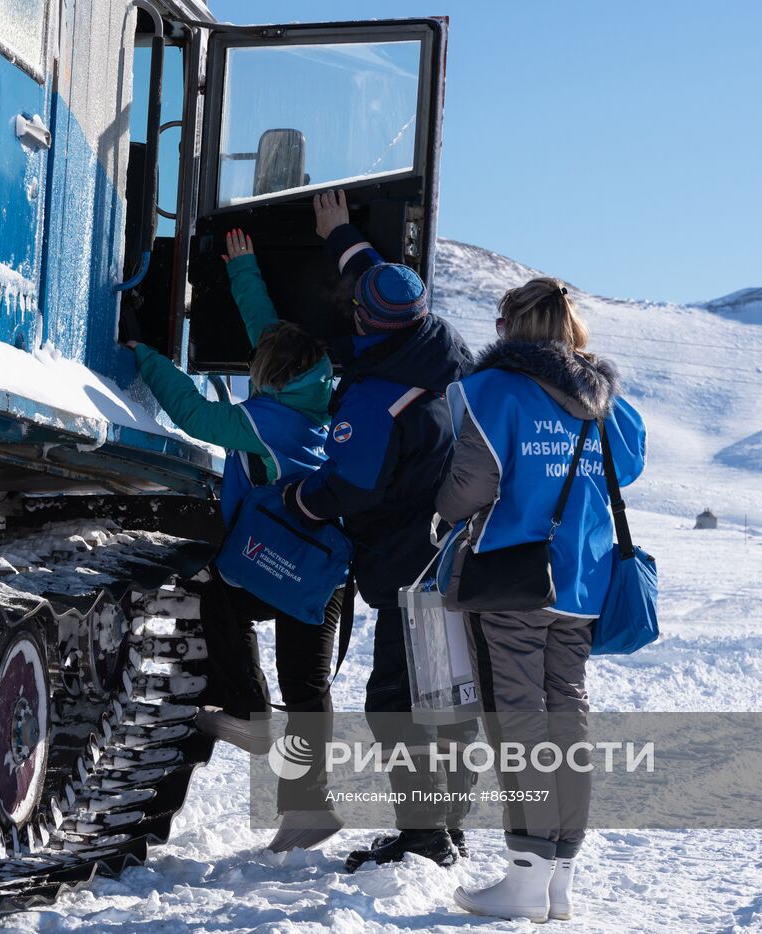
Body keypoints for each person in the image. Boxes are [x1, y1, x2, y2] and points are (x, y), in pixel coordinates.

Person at [123, 229, 347, 853]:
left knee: (219, 591)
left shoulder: (264, 421)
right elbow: (269, 332)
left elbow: (194, 414)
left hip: (275, 564)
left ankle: (249, 712)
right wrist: (243, 266)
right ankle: (310, 806)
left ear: (268, 376)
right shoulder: (317, 395)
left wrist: (144, 355)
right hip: (324, 571)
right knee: (307, 687)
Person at [434, 278, 645, 922]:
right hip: (583, 583)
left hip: (514, 581)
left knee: (517, 720)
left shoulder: (491, 390)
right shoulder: (611, 403)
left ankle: (525, 879)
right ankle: (558, 880)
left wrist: (440, 512)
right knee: (566, 720)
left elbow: (469, 485)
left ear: (510, 326)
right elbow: (627, 469)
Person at [280, 190, 474, 871]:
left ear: (368, 321)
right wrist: (341, 235)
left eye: (356, 304)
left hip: (405, 563)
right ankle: (445, 828)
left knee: (397, 699)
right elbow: (383, 282)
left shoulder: (373, 399)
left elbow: (348, 487)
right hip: (454, 556)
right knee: (446, 696)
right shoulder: (441, 351)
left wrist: (298, 499)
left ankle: (424, 838)